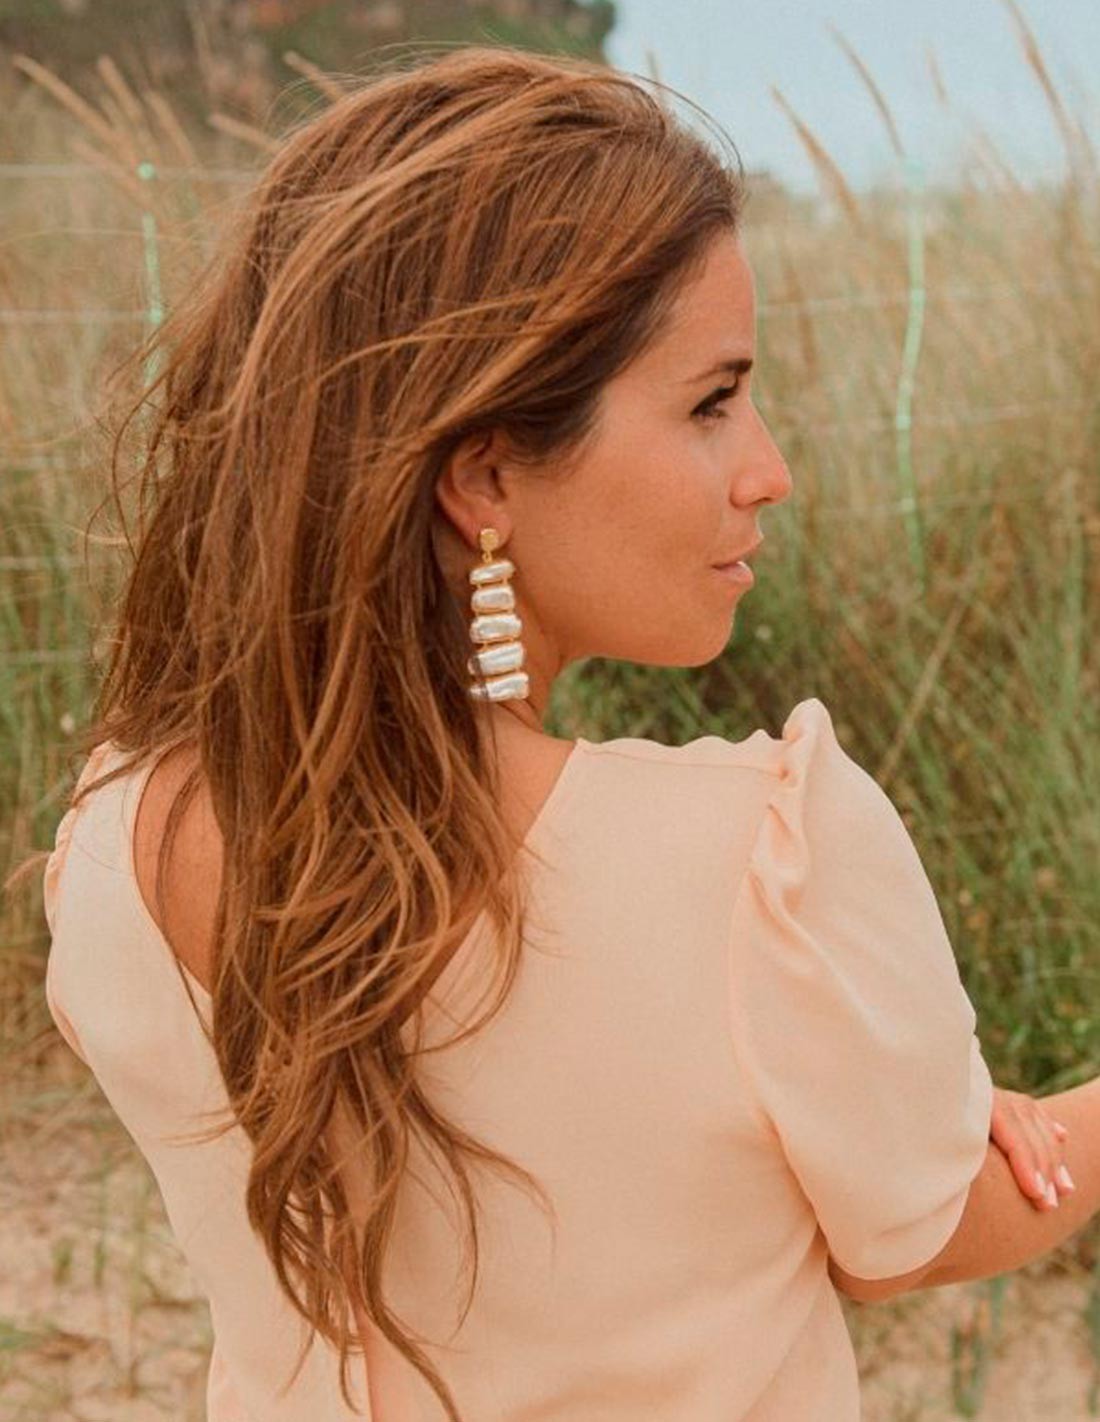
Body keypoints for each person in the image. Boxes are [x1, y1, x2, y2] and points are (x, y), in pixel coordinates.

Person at [32, 42, 1098, 1422]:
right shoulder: (760, 865)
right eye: (712, 401)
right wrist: (985, 1126)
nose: (768, 470)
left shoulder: (111, 842)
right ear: (484, 474)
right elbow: (920, 1230)